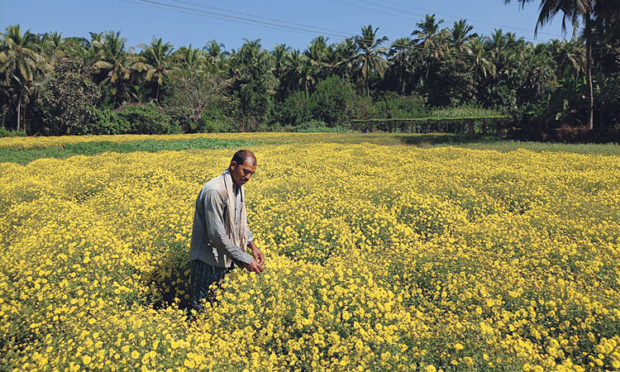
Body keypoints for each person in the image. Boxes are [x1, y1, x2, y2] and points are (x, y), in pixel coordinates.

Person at [189, 149, 265, 312]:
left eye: (252, 173)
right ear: (233, 165)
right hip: (207, 261)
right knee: (201, 309)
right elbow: (216, 235)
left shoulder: (237, 185)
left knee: (219, 308)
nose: (248, 177)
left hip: (227, 258)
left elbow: (237, 220)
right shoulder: (215, 191)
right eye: (245, 171)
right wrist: (244, 258)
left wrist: (251, 245)